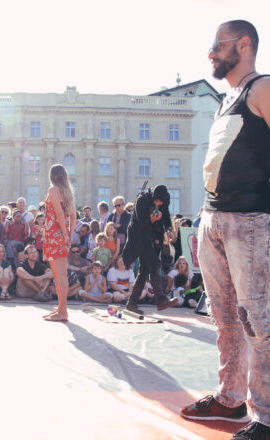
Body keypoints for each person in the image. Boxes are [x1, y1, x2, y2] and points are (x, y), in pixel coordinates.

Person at [181, 20, 270, 439]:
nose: (211, 53)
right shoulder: (226, 98)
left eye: (218, 45)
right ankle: (230, 400)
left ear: (244, 44)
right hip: (214, 218)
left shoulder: (263, 88)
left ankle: (266, 416)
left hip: (251, 219)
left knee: (259, 320)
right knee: (226, 319)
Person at [122, 185, 178, 314]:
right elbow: (141, 222)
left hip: (152, 236)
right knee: (154, 263)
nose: (158, 204)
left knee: (144, 271)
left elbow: (166, 216)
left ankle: (132, 303)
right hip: (139, 236)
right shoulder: (142, 200)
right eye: (156, 201)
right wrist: (153, 219)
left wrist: (169, 229)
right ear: (153, 197)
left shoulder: (164, 201)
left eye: (160, 202)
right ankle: (160, 299)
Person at [42, 164, 76, 321]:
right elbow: (73, 215)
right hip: (61, 235)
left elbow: (60, 215)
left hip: (55, 234)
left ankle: (62, 312)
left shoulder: (53, 190)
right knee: (62, 275)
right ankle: (61, 309)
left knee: (59, 275)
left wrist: (64, 233)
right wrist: (69, 233)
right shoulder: (67, 191)